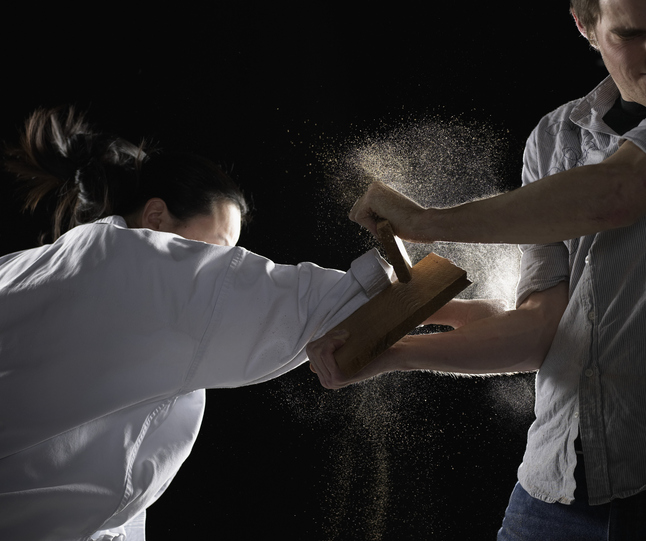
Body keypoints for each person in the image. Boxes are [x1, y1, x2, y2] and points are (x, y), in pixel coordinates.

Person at [308, 0, 646, 538]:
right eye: (633, 35)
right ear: (586, 26)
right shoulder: (557, 139)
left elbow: (615, 193)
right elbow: (540, 332)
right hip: (556, 487)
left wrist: (427, 221)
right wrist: (392, 351)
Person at [0, 106, 395, 540]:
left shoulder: (22, 268)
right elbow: (341, 304)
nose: (222, 264)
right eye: (217, 249)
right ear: (156, 218)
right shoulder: (153, 273)